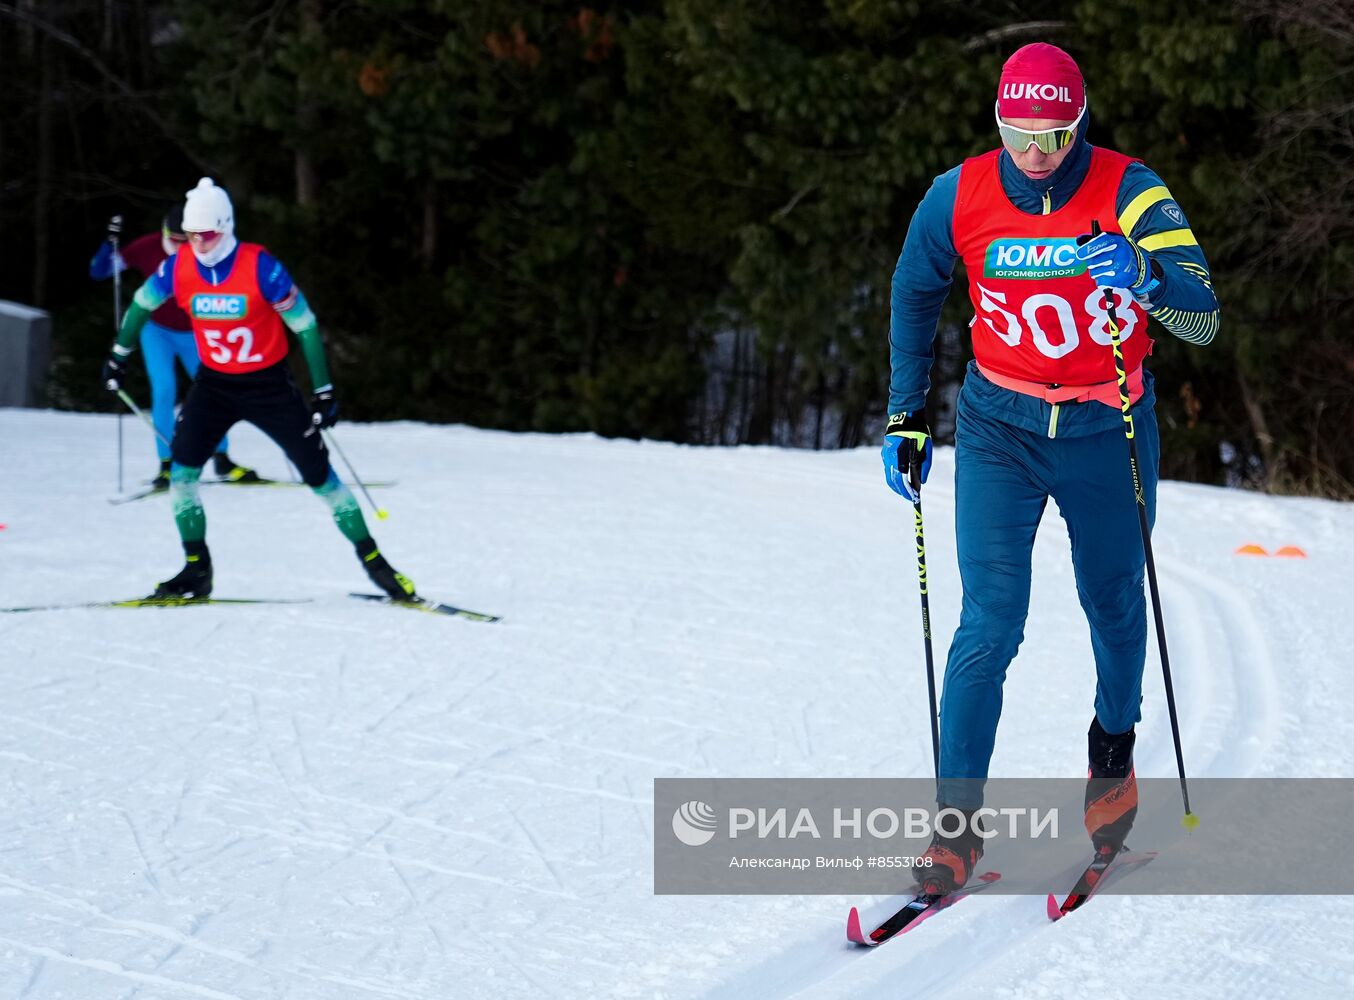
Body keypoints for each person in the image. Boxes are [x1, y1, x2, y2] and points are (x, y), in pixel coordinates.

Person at [881, 43, 1219, 893]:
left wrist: (1144, 275)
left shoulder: (1131, 188)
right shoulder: (956, 195)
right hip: (1000, 423)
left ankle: (1112, 767)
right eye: (1017, 130)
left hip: (1108, 428)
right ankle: (954, 830)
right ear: (998, 119)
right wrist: (905, 410)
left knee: (1111, 603)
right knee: (988, 624)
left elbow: (1204, 318)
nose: (1034, 152)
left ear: (1080, 122)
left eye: (1054, 133)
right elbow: (915, 288)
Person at [100, 177, 417, 602]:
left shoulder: (260, 266)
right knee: (182, 474)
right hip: (213, 385)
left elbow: (304, 325)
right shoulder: (179, 266)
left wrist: (323, 390)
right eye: (191, 237)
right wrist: (119, 355)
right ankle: (197, 570)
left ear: (226, 227)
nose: (199, 244)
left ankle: (377, 564)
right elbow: (140, 305)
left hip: (268, 386)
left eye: (207, 235)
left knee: (321, 479)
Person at [90, 206, 259, 489]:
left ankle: (222, 458)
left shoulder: (205, 252)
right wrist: (108, 245)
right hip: (156, 330)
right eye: (177, 240)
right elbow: (100, 271)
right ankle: (167, 463)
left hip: (196, 331)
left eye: (188, 240)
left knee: (215, 389)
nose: (182, 247)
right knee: (164, 388)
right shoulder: (148, 247)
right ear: (165, 233)